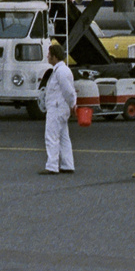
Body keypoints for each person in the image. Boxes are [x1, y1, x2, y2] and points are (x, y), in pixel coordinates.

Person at [39, 42, 76, 174]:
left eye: (49, 55)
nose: (48, 57)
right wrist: (71, 105)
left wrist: (73, 104)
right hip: (61, 108)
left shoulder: (60, 72)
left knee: (52, 136)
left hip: (56, 108)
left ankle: (52, 166)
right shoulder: (63, 70)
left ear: (54, 57)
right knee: (64, 137)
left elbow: (69, 91)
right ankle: (68, 164)